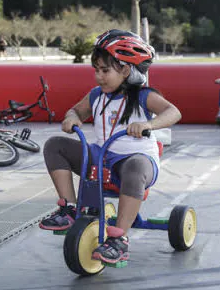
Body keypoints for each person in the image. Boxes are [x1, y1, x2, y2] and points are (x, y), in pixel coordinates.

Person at [39, 30, 182, 264]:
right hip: (102, 156)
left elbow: (173, 112)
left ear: (125, 70)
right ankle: (69, 209)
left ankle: (119, 239)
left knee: (135, 167)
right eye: (96, 70)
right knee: (55, 145)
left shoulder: (143, 96)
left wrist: (148, 124)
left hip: (136, 160)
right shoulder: (97, 96)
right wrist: (72, 117)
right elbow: (76, 110)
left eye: (105, 71)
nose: (98, 77)